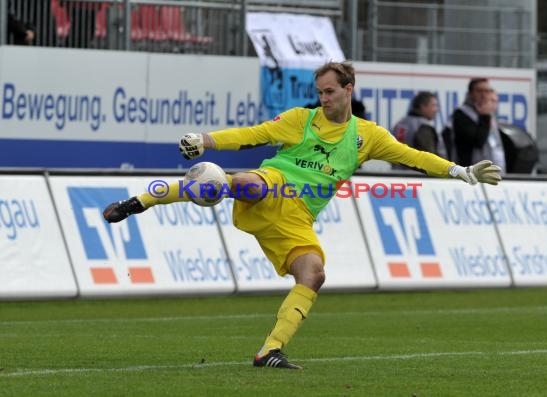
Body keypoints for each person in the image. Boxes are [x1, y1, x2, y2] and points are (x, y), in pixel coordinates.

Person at [102, 61, 502, 370]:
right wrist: (205, 140)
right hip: (272, 185)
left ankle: (270, 351)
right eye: (320, 92)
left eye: (330, 92)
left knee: (314, 273)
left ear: (349, 90)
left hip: (297, 219)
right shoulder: (301, 119)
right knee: (240, 183)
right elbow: (251, 135)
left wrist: (459, 171)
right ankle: (138, 202)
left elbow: (413, 157)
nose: (323, 99)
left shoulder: (368, 137)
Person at [442, 78, 506, 168]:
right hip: (469, 172)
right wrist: (484, 116)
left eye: (487, 91)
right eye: (479, 91)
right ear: (471, 93)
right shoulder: (462, 114)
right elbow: (479, 141)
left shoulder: (489, 114)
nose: (483, 95)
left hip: (492, 170)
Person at [391, 91, 439, 170]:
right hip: (417, 177)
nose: (436, 109)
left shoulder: (400, 124)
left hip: (397, 174)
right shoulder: (423, 126)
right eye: (433, 105)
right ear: (423, 106)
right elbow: (430, 159)